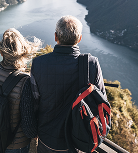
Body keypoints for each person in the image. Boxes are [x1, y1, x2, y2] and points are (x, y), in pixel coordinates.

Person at [30, 15, 106, 152]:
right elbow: (101, 102)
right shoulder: (91, 64)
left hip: (47, 138)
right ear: (80, 38)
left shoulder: (38, 63)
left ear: (55, 36)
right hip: (78, 140)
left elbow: (34, 102)